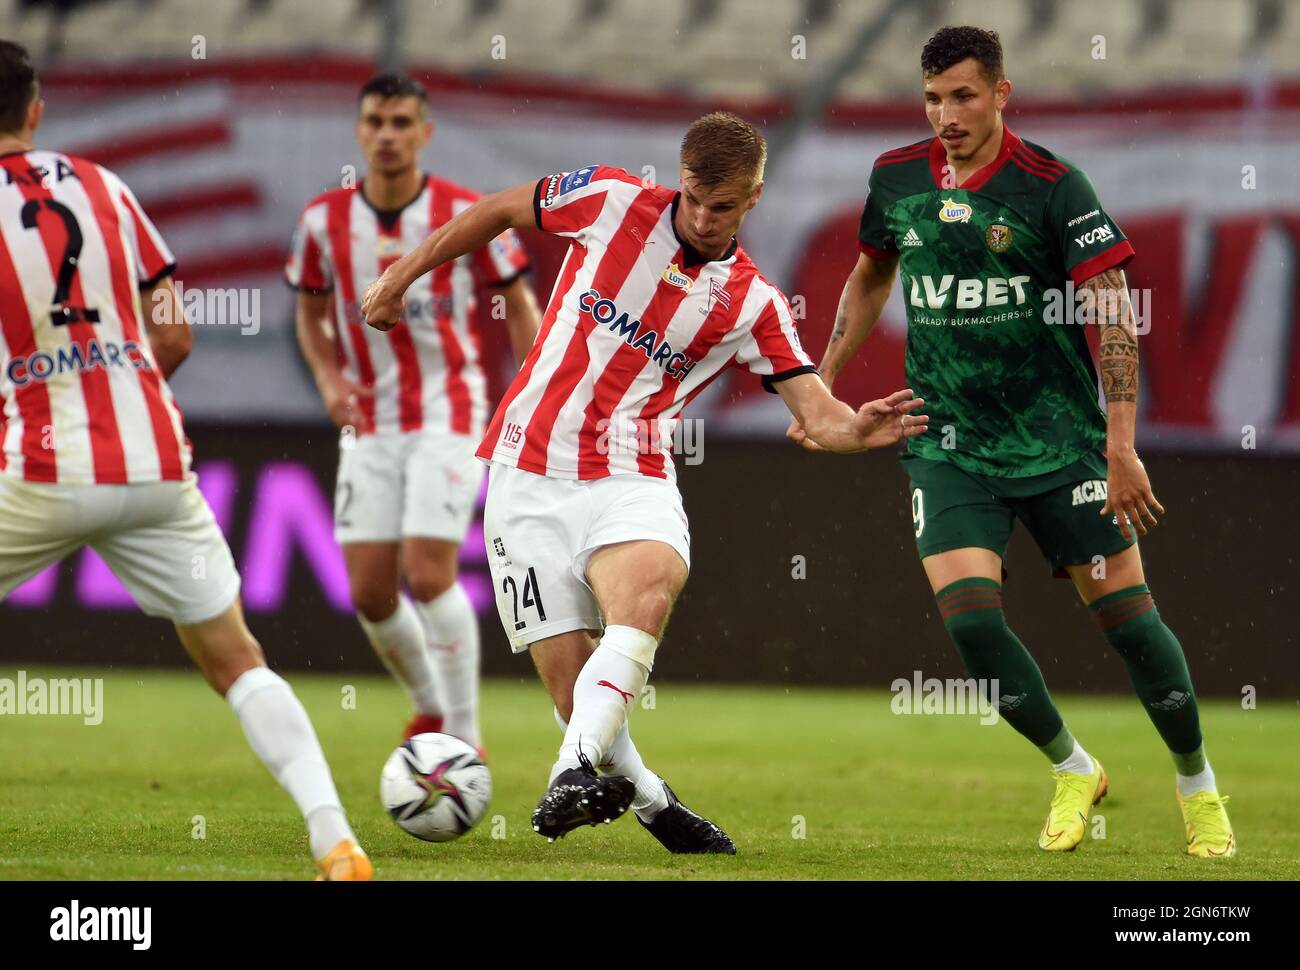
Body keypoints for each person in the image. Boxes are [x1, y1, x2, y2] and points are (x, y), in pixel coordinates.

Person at [361, 111, 929, 851]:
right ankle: (658, 805)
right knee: (576, 695)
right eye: (693, 196)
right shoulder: (609, 198)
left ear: (753, 199)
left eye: (721, 206)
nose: (700, 216)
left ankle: (567, 774)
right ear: (679, 176)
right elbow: (501, 207)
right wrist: (401, 275)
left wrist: (856, 429)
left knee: (651, 588)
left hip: (633, 472)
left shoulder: (753, 304)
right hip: (524, 469)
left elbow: (815, 412)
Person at [794, 25, 1234, 856]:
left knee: (1131, 626)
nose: (946, 115)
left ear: (1002, 93)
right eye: (932, 99)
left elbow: (1110, 310)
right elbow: (870, 274)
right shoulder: (895, 178)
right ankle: (1073, 767)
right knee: (969, 623)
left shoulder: (1053, 187)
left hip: (1060, 440)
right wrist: (817, 388)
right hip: (946, 437)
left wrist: (1120, 444)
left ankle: (1197, 783)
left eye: (963, 96)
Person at [0, 40, 370, 880]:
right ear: (34, 112)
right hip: (157, 461)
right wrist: (116, 392)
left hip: (38, 467)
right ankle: (334, 838)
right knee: (239, 661)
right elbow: (173, 332)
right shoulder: (109, 187)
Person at [287, 74, 541, 750]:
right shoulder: (322, 222)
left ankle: (464, 736)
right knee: (370, 594)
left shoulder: (464, 211)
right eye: (376, 121)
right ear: (359, 132)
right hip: (369, 421)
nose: (389, 135)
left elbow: (517, 303)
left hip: (449, 411)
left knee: (429, 575)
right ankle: (431, 705)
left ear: (425, 132)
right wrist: (328, 376)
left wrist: (533, 386)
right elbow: (310, 313)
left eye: (403, 122)